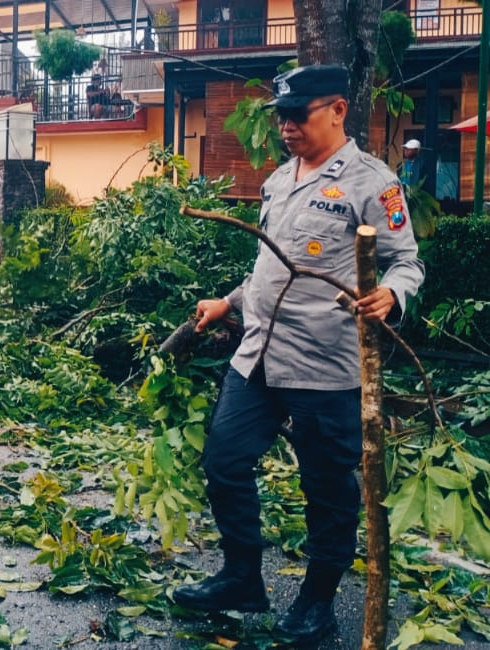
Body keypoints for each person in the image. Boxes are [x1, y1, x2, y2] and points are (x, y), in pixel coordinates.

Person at [172, 65, 425, 644]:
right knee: (224, 462)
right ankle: (242, 577)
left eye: (297, 114)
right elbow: (273, 266)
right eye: (281, 116)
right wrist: (229, 302)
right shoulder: (280, 178)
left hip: (325, 365)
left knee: (327, 490)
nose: (286, 126)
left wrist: (392, 294)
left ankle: (316, 604)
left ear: (337, 110)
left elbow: (406, 260)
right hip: (258, 355)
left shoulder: (373, 183)